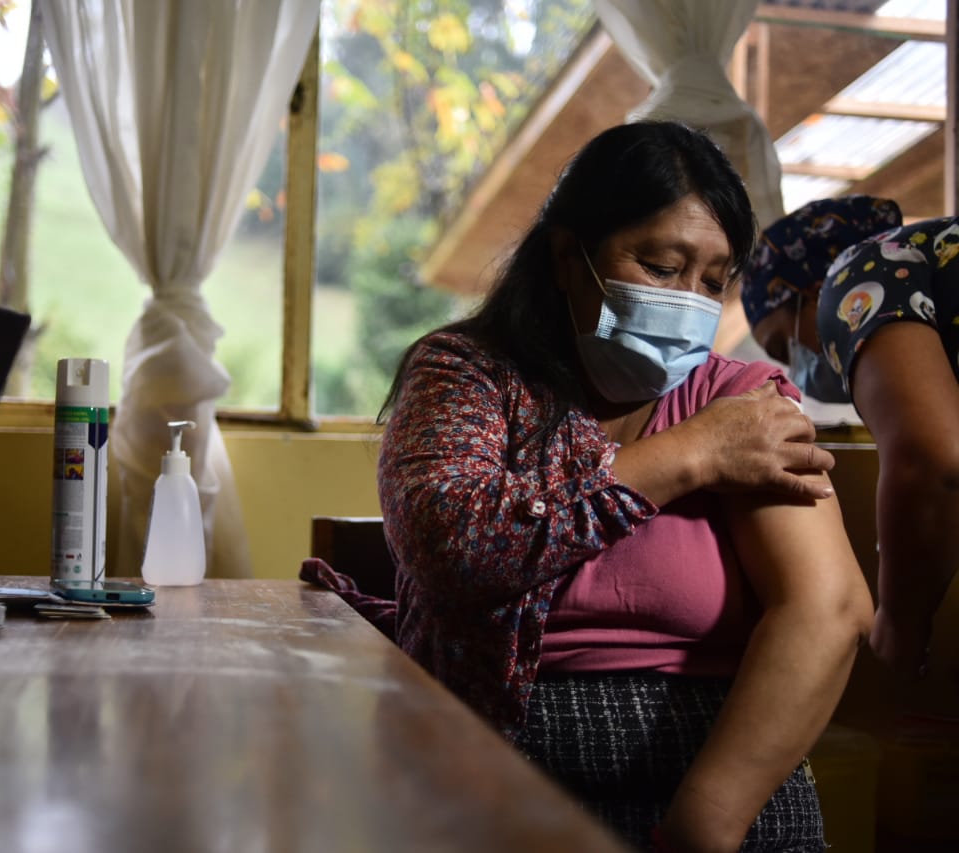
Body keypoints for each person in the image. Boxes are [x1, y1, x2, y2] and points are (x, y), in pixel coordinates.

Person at [374, 121, 872, 852]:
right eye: (663, 266)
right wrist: (690, 455)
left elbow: (828, 608)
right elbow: (455, 545)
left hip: (723, 791)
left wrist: (706, 820)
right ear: (570, 256)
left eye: (712, 281)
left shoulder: (748, 403)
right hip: (497, 784)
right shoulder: (467, 375)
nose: (691, 302)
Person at [743, 195, 959, 705]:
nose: (796, 368)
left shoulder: (860, 267)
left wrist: (900, 624)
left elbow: (939, 464)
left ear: (811, 293)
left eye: (782, 346)